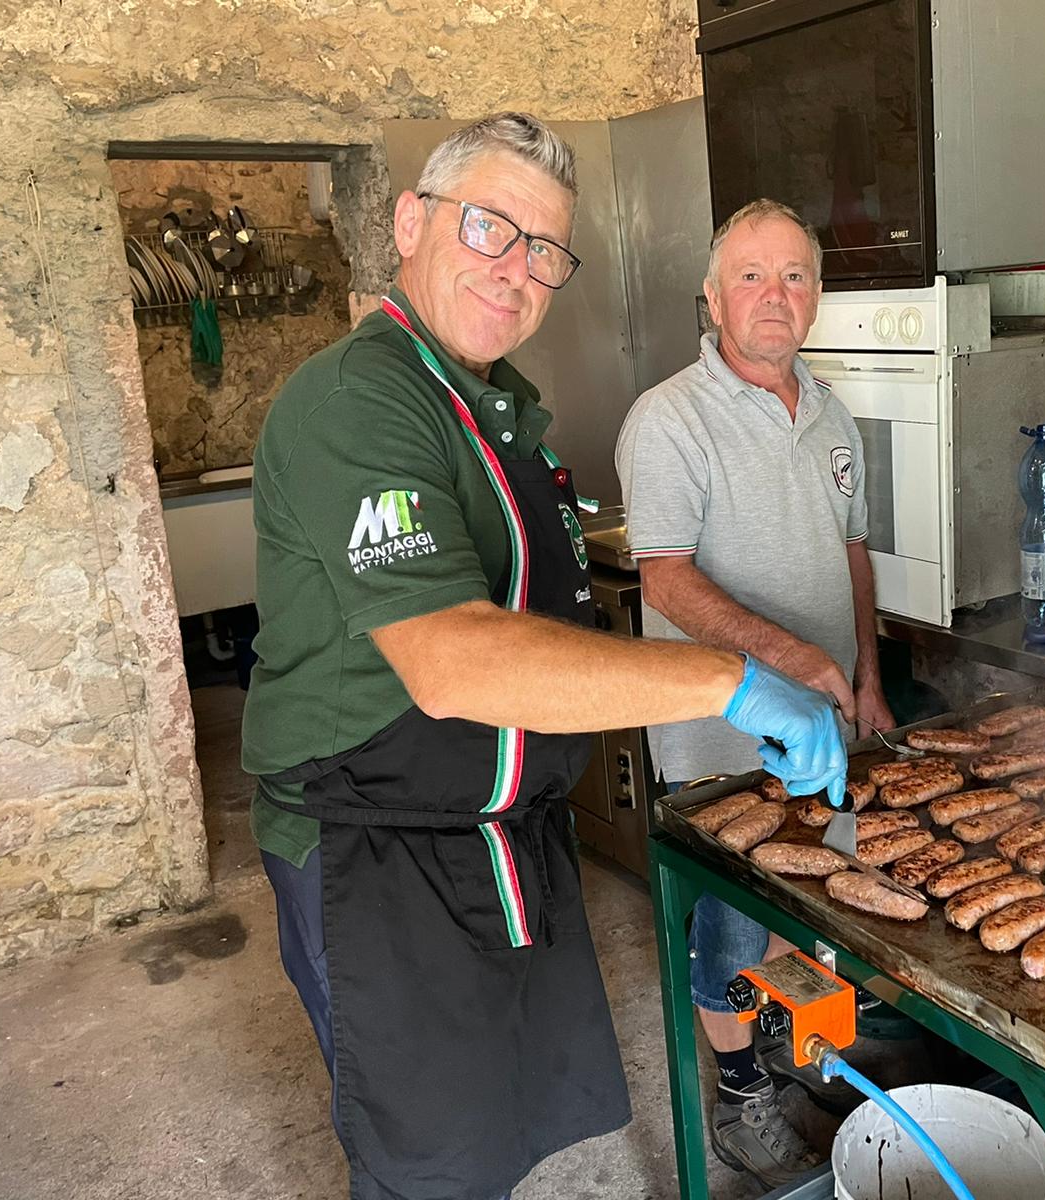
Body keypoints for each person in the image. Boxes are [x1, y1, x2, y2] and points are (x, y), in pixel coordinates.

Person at [240, 116, 848, 1200]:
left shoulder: (499, 407)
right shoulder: (359, 401)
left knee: (495, 1132)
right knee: (428, 1162)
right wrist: (736, 680)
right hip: (377, 852)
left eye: (545, 250)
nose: (515, 269)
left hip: (496, 830)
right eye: (489, 227)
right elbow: (452, 658)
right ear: (410, 223)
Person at [615, 198, 895, 1187]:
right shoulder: (669, 419)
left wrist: (864, 676)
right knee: (732, 919)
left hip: (826, 722)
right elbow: (665, 579)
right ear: (711, 295)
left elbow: (852, 552)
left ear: (815, 296)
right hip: (718, 734)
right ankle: (740, 1097)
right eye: (750, 275)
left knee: (812, 891)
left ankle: (797, 1047)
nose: (774, 296)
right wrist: (792, 660)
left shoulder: (831, 414)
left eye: (794, 276)